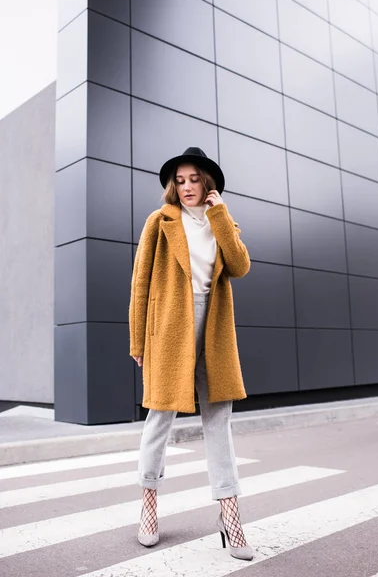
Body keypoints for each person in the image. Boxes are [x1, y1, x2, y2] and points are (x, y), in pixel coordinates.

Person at [128, 146, 253, 561]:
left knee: (219, 422)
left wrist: (220, 216)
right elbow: (140, 284)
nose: (186, 188)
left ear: (207, 182)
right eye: (179, 181)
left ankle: (231, 518)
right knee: (160, 417)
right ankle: (148, 509)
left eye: (193, 179)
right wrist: (138, 341)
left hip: (213, 328)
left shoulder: (221, 221)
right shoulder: (159, 221)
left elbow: (240, 266)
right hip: (168, 328)